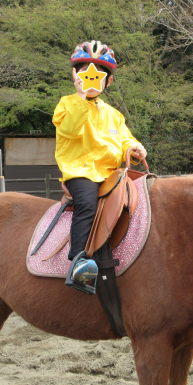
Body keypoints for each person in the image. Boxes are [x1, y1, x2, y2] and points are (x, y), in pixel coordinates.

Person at [52, 40, 147, 284]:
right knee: (87, 202)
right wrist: (81, 97)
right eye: (85, 74)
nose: (90, 80)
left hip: (111, 173)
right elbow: (71, 130)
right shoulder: (67, 105)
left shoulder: (114, 114)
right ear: (76, 76)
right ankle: (78, 262)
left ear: (108, 81)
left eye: (96, 76)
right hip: (81, 171)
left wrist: (135, 148)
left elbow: (125, 140)